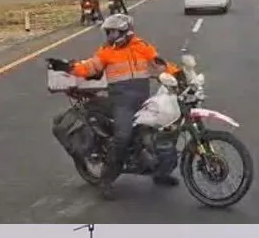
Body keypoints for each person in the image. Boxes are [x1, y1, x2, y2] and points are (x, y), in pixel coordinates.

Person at [47, 13, 182, 199]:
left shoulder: (142, 47)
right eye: (108, 33)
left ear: (126, 32)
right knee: (122, 138)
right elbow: (89, 67)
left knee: (163, 131)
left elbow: (160, 64)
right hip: (121, 103)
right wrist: (67, 67)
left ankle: (160, 173)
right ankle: (106, 180)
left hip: (142, 100)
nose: (110, 36)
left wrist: (179, 74)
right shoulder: (106, 51)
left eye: (113, 32)